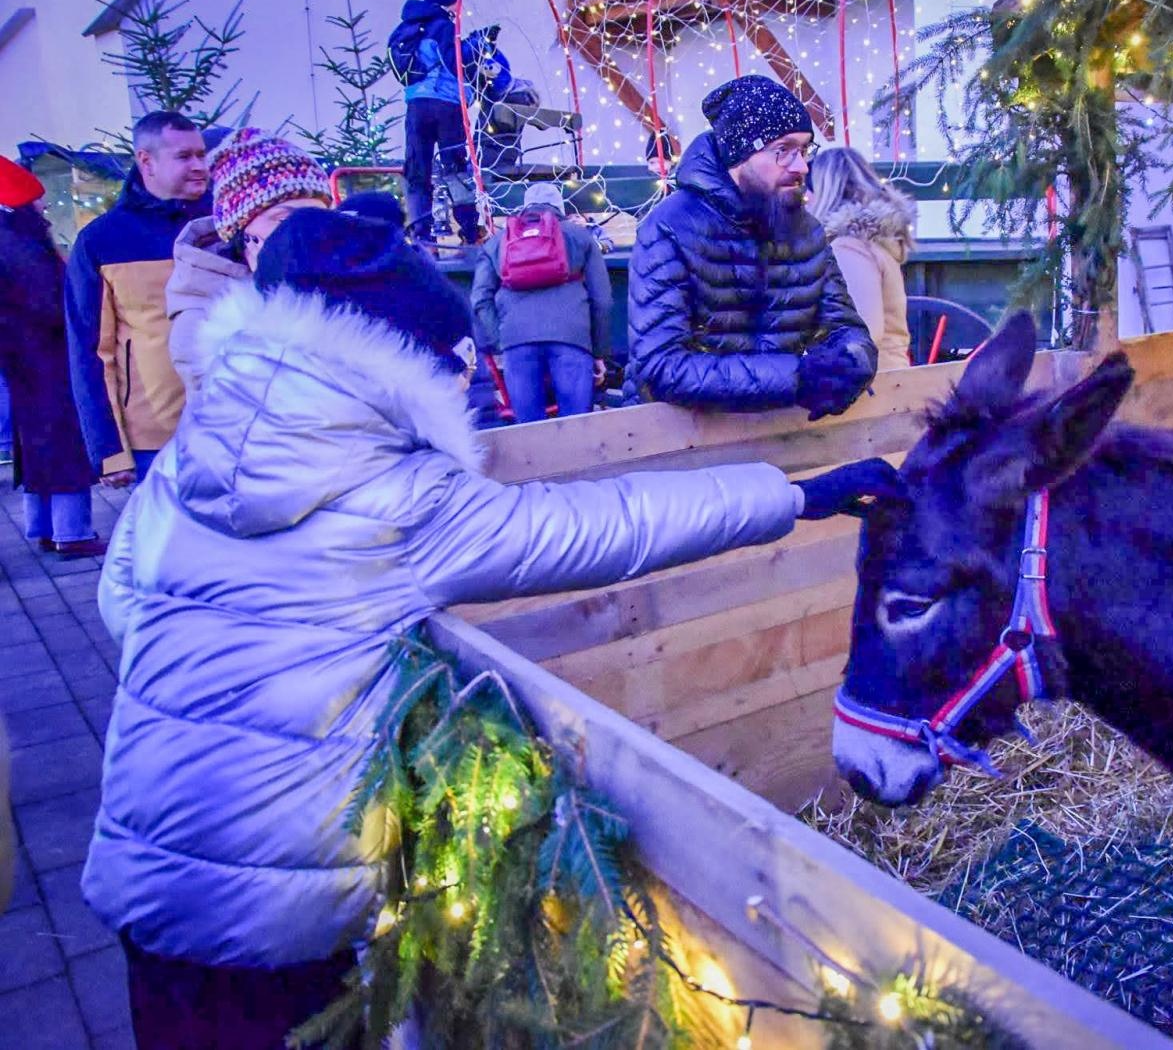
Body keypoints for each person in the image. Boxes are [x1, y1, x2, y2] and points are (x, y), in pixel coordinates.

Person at [81, 207, 899, 1048]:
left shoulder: (189, 456)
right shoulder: (399, 497)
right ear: (401, 367)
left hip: (142, 861)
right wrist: (795, 495)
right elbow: (597, 526)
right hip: (279, 905)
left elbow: (121, 600)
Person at [625, 75, 876, 415]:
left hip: (776, 432)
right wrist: (795, 378)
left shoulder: (806, 230)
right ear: (739, 157)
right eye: (783, 150)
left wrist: (851, 362)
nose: (801, 166)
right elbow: (661, 364)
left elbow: (844, 326)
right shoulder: (669, 228)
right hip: (676, 440)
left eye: (803, 149)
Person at [65, 110, 210, 487]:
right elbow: (91, 350)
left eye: (201, 154)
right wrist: (109, 450)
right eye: (184, 157)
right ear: (146, 161)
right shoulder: (102, 241)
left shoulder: (228, 226)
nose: (199, 166)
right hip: (154, 438)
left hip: (232, 423)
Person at [167, 129, 331, 395]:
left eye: (317, 217)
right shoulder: (203, 316)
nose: (305, 231)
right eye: (282, 218)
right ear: (241, 230)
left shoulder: (323, 277)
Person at [0, 158, 105, 557]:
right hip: (50, 359)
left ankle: (43, 525)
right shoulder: (24, 248)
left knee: (36, 445)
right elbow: (52, 304)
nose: (44, 210)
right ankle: (72, 531)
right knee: (63, 445)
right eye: (37, 203)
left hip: (23, 361)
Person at [471, 182, 610, 421]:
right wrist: (598, 352)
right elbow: (603, 300)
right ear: (560, 207)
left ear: (526, 207)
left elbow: (480, 299)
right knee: (579, 429)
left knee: (530, 434)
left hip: (517, 342)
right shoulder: (581, 237)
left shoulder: (496, 243)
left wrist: (501, 340)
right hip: (572, 339)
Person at [389, 0, 484, 245]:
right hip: (445, 105)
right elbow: (456, 65)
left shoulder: (409, 26)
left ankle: (422, 235)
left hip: (416, 106)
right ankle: (469, 231)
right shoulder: (443, 26)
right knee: (455, 166)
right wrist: (478, 43)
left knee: (417, 168)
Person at [808, 147, 915, 371]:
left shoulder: (849, 247)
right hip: (891, 376)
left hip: (872, 387)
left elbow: (864, 330)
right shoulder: (873, 242)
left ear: (823, 191)